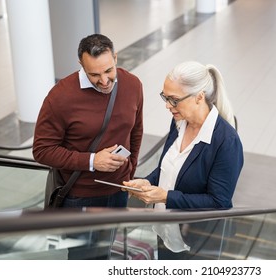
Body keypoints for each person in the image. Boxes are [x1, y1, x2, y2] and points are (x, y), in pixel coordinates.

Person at [122, 61, 244, 259]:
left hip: (196, 245)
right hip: (165, 233)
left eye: (174, 100)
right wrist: (148, 181)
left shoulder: (226, 141)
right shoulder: (179, 121)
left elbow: (219, 202)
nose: (167, 105)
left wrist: (165, 197)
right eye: (165, 97)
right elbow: (169, 166)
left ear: (199, 97)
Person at [33, 33, 144, 209]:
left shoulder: (133, 85)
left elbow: (136, 131)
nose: (104, 81)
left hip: (119, 190)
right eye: (94, 74)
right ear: (81, 66)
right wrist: (92, 161)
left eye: (109, 70)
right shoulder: (60, 96)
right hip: (78, 197)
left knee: (111, 237)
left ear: (115, 58)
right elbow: (42, 150)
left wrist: (130, 173)